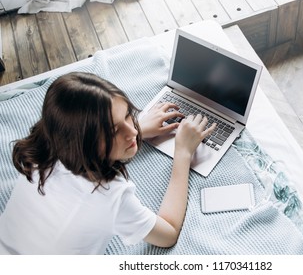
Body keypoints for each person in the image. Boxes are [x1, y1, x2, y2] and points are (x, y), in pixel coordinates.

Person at [0, 72, 216, 254]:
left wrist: (137, 130)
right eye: (114, 130)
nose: (132, 131)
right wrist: (183, 153)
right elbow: (168, 233)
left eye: (128, 116)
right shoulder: (108, 194)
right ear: (85, 141)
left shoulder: (44, 144)